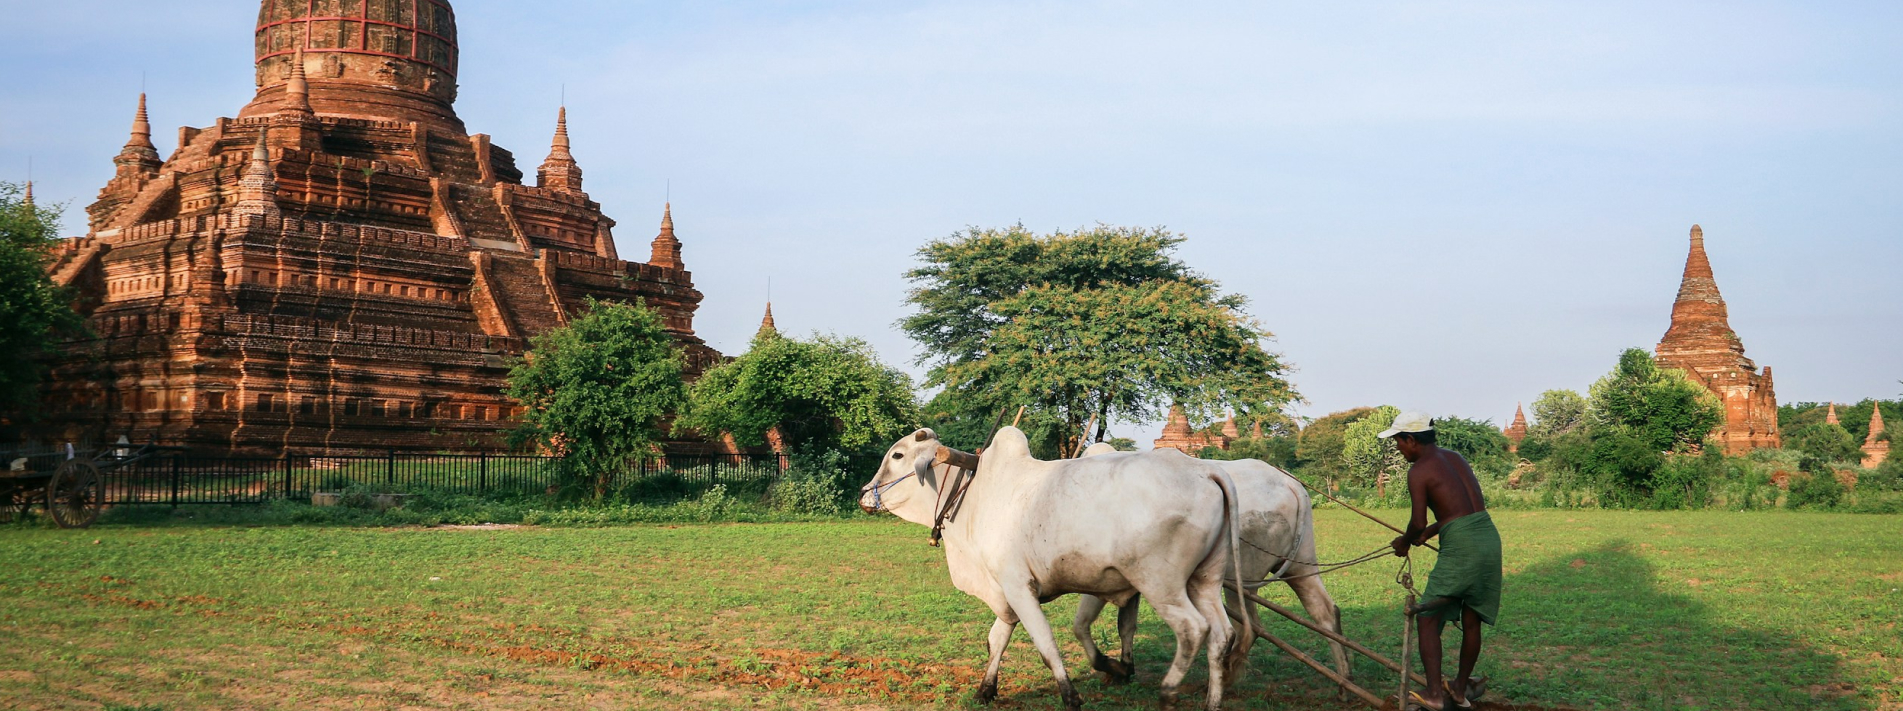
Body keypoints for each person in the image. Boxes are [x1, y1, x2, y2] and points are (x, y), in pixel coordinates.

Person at [1382, 411, 1501, 711]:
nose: (1398, 448)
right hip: (1488, 537)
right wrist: (1431, 532)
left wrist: (1405, 542)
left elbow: (1417, 521)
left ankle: (1434, 694)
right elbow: (1462, 509)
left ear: (1411, 439)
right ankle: (1459, 689)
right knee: (1471, 619)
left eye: (1398, 441)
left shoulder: (1419, 471)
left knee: (1427, 618)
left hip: (1462, 546)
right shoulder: (1455, 458)